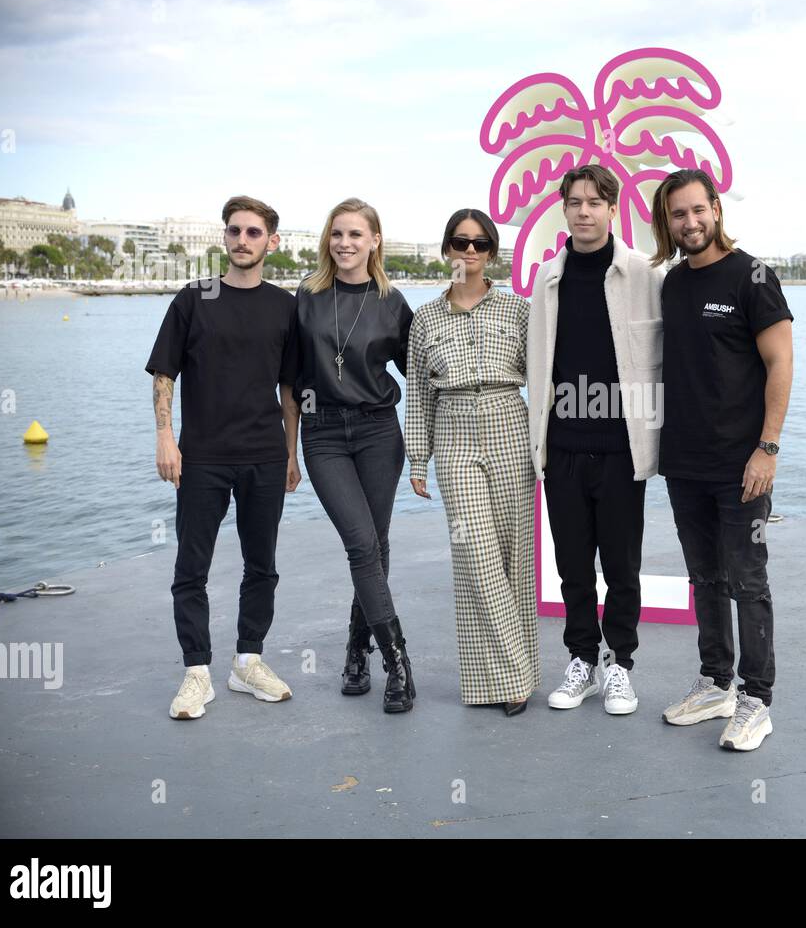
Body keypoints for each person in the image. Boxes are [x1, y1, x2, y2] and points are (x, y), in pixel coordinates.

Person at [650, 169, 793, 751]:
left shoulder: (753, 277)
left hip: (743, 463)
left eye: (696, 210)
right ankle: (716, 684)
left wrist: (768, 447)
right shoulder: (673, 284)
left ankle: (756, 700)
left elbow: (781, 363)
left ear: (715, 208)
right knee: (704, 577)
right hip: (684, 461)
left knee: (747, 580)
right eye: (677, 215)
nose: (689, 222)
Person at [147, 195, 300, 720]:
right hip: (202, 457)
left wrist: (291, 453)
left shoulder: (285, 306)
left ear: (271, 242)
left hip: (263, 454)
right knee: (193, 567)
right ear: (224, 237)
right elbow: (165, 373)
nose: (242, 240)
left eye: (253, 232)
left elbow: (289, 387)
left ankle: (248, 661)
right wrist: (166, 437)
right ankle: (196, 672)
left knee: (262, 567)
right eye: (234, 231)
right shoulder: (194, 299)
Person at [527, 164, 664, 715]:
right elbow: (537, 357)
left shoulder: (641, 273)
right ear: (565, 209)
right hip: (561, 446)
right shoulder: (547, 278)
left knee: (622, 566)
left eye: (594, 201)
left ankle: (620, 665)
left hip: (621, 447)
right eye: (574, 201)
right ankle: (582, 659)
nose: (584, 211)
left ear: (613, 208)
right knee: (573, 567)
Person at [283, 197, 415, 714]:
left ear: (374, 240)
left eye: (356, 235)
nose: (344, 244)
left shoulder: (391, 301)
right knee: (362, 543)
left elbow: (419, 377)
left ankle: (357, 651)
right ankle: (399, 663)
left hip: (380, 433)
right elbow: (290, 384)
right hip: (324, 437)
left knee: (375, 546)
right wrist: (288, 451)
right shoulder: (307, 298)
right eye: (337, 234)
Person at [405, 209, 538, 716]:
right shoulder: (425, 319)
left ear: (492, 253)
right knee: (476, 559)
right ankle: (515, 677)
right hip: (454, 429)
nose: (469, 252)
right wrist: (417, 459)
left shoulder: (518, 312)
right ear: (446, 250)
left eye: (480, 244)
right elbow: (417, 393)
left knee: (513, 562)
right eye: (460, 242)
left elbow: (541, 378)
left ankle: (496, 683)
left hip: (509, 421)